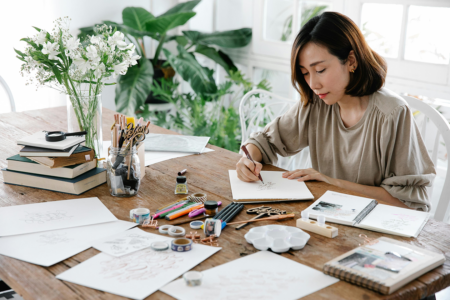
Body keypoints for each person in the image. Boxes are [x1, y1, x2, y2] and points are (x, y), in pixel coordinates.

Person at [236, 12, 436, 211]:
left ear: (351, 61)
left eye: (320, 70)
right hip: (325, 221)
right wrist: (248, 160)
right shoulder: (316, 104)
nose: (313, 83)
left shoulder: (392, 113)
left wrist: (330, 183)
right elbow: (264, 142)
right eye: (305, 73)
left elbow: (409, 202)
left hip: (375, 231)